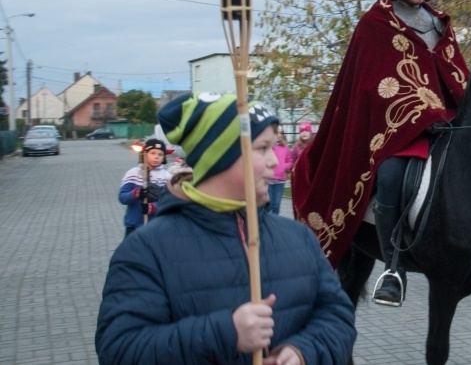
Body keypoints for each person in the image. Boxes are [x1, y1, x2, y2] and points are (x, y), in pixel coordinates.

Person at [96, 92, 356, 364]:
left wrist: (303, 352)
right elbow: (120, 350)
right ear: (220, 156)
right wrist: (225, 333)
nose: (275, 162)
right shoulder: (145, 250)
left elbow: (338, 315)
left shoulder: (299, 237)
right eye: (262, 148)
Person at [291, 0, 471, 307]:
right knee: (390, 176)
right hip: (400, 129)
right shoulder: (375, 24)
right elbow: (373, 85)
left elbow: (456, 75)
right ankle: (393, 267)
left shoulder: (438, 23)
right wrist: (423, 112)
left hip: (447, 125)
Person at [117, 138, 171, 236]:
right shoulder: (133, 173)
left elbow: (170, 201)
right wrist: (136, 194)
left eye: (160, 154)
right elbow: (122, 197)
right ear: (145, 154)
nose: (156, 157)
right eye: (153, 153)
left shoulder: (166, 177)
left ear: (164, 158)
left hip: (157, 226)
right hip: (134, 225)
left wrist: (153, 207)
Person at [267, 127, 293, 216]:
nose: (278, 134)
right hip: (270, 179)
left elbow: (290, 161)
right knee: (269, 204)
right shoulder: (268, 147)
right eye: (276, 132)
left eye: (280, 133)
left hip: (280, 180)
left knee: (276, 204)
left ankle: (275, 222)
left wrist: (284, 166)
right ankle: (266, 221)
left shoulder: (285, 148)